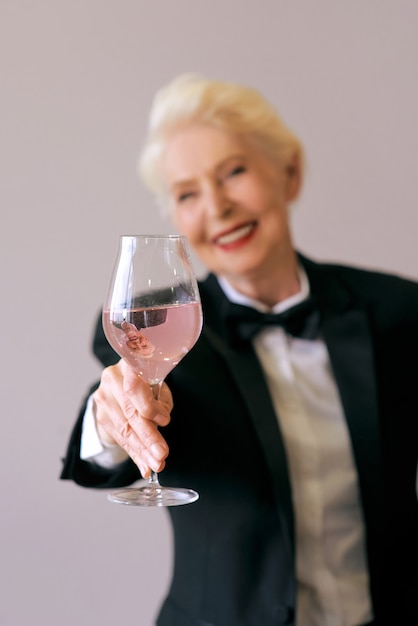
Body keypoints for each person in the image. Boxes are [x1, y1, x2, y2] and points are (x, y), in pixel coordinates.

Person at [61, 74, 418, 626]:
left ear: (288, 173)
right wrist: (109, 423)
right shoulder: (156, 323)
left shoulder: (398, 309)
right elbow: (111, 411)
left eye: (234, 172)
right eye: (187, 194)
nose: (218, 206)